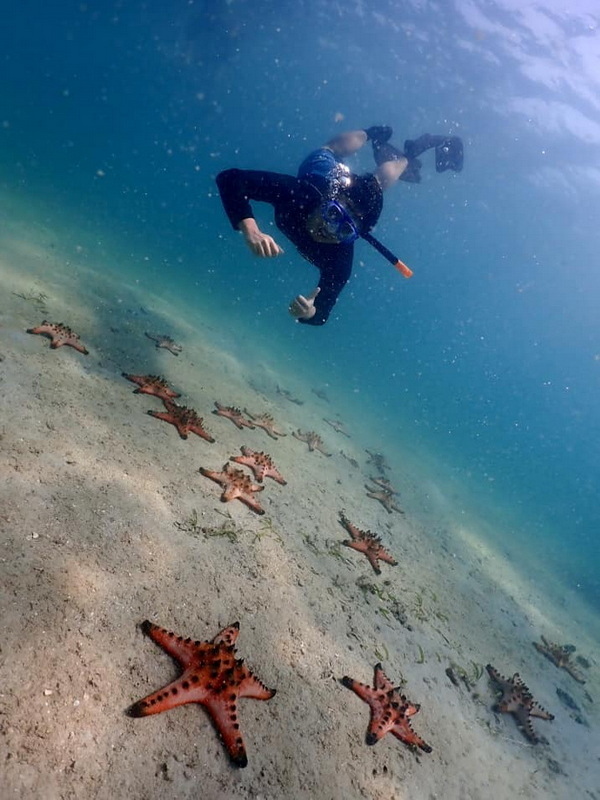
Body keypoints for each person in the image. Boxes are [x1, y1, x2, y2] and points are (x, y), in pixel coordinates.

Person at [216, 127, 463, 326]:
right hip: (323, 174)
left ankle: (409, 155)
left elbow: (322, 314)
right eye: (332, 215)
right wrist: (250, 229)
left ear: (353, 236)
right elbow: (230, 179)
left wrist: (309, 312)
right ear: (325, 204)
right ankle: (371, 133)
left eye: (343, 230)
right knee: (330, 149)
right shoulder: (302, 194)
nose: (328, 229)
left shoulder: (339, 259)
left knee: (378, 182)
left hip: (361, 194)